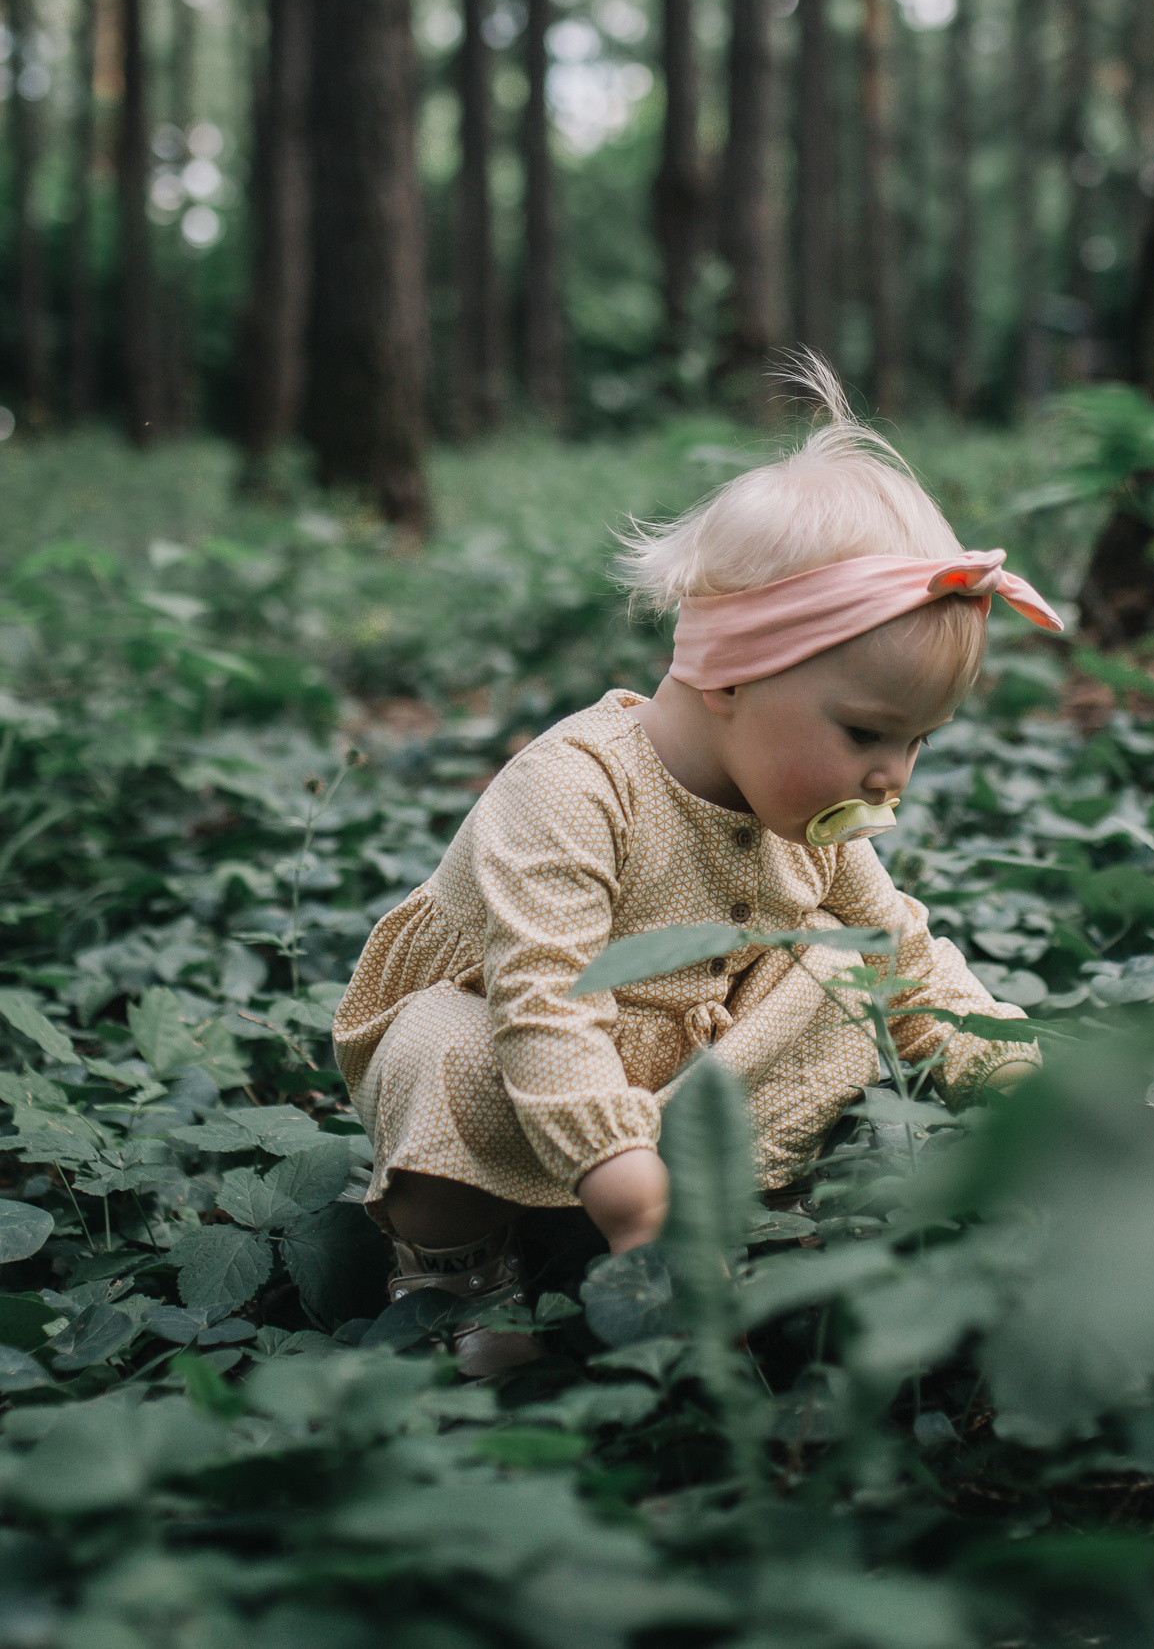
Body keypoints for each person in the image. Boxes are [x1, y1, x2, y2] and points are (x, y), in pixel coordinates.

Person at [330, 353, 1056, 1376]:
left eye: (917, 741)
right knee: (445, 1052)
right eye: (864, 732)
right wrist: (620, 1177)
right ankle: (458, 1265)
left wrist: (1015, 1072)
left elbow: (901, 956)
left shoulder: (810, 817)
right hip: (530, 1040)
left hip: (680, 1069)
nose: (892, 775)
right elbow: (541, 1000)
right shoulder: (578, 789)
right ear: (730, 677)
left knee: (847, 971)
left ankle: (747, 1215)